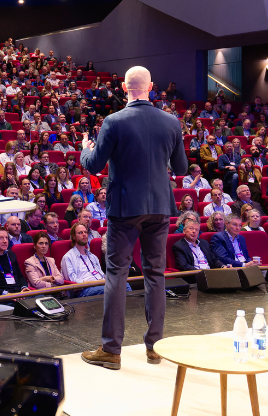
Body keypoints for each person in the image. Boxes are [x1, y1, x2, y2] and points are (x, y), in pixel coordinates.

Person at [79, 66, 187, 371]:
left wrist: (85, 150)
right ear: (151, 86)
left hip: (125, 208)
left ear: (125, 87)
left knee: (117, 274)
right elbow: (180, 169)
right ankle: (155, 347)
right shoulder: (171, 121)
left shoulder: (113, 121)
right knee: (156, 274)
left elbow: (95, 164)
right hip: (161, 208)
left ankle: (112, 350)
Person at [62, 223, 115, 297]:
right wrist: (92, 282)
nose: (84, 234)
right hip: (84, 290)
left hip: (101, 284)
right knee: (113, 288)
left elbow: (102, 275)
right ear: (73, 237)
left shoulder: (93, 256)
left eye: (85, 232)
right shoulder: (68, 257)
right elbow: (72, 280)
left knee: (124, 285)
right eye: (80, 233)